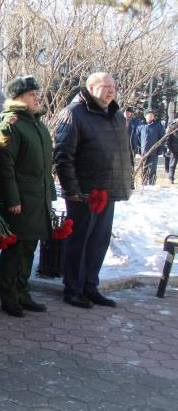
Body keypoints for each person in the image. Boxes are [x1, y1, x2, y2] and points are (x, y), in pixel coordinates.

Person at [54, 72, 132, 309]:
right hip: (85, 193)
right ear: (90, 87)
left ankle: (90, 285)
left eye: (113, 87)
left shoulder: (117, 116)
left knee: (99, 242)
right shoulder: (74, 113)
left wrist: (127, 183)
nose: (110, 91)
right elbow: (63, 156)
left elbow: (124, 153)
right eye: (105, 86)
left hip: (109, 190)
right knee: (80, 241)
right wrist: (73, 190)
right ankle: (73, 288)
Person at [0, 76, 54, 317]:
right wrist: (12, 199)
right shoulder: (12, 124)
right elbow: (5, 166)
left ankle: (23, 290)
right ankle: (9, 296)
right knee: (15, 249)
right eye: (32, 95)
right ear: (18, 98)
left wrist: (49, 193)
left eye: (36, 95)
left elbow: (44, 164)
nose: (36, 99)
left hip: (38, 198)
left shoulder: (37, 124)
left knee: (29, 247)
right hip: (21, 200)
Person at [138, 110, 166, 186]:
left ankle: (152, 185)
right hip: (143, 152)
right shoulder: (141, 126)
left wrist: (160, 150)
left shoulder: (158, 125)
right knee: (144, 169)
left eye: (151, 115)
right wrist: (139, 150)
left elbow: (162, 138)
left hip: (154, 152)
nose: (150, 116)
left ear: (154, 116)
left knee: (152, 170)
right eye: (148, 114)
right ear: (145, 116)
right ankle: (143, 184)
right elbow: (137, 138)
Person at [123, 107, 143, 174]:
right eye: (125, 112)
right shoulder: (120, 120)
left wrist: (138, 145)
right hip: (121, 145)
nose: (126, 113)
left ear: (131, 113)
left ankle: (131, 175)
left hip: (132, 145)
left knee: (130, 162)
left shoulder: (136, 121)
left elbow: (139, 134)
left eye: (128, 112)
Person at [167, 117, 178, 184]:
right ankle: (171, 178)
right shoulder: (173, 125)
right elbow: (168, 137)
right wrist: (169, 148)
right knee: (172, 165)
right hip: (174, 149)